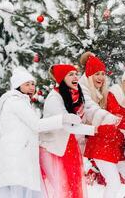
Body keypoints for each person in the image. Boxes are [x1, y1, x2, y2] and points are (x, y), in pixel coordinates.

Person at [0, 67, 80, 198]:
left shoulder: (20, 101)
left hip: (18, 156)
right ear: (18, 86)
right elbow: (36, 125)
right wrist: (63, 118)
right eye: (26, 84)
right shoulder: (16, 101)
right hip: (16, 157)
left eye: (32, 84)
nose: (31, 87)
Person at [84, 60, 125, 198]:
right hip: (103, 144)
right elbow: (111, 117)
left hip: (118, 147)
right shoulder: (114, 93)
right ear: (123, 80)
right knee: (114, 183)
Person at [39, 64, 97, 198]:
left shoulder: (73, 96)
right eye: (70, 74)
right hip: (54, 149)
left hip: (68, 145)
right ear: (62, 79)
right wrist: (93, 130)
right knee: (63, 186)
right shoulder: (55, 98)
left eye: (76, 73)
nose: (75, 76)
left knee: (74, 183)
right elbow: (67, 125)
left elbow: (84, 115)